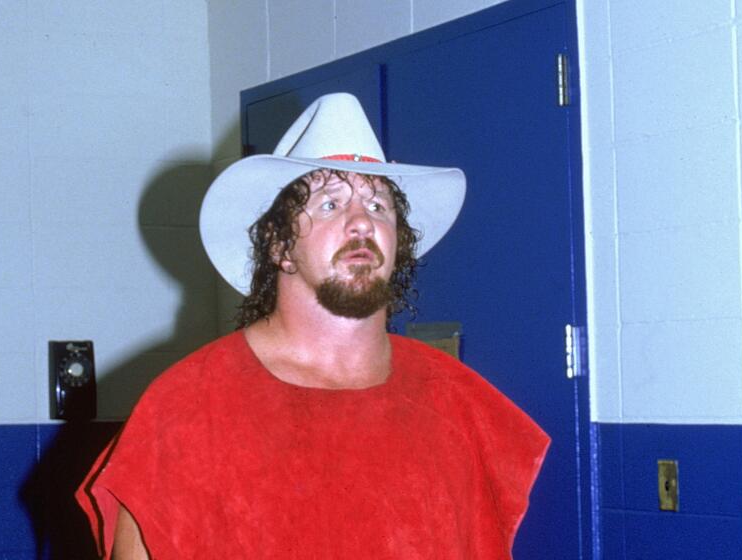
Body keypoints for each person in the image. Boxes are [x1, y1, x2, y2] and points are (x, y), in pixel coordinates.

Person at [76, 93, 550, 559]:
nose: (362, 222)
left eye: (379, 204)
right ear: (279, 245)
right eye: (329, 204)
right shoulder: (184, 409)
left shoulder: (460, 406)